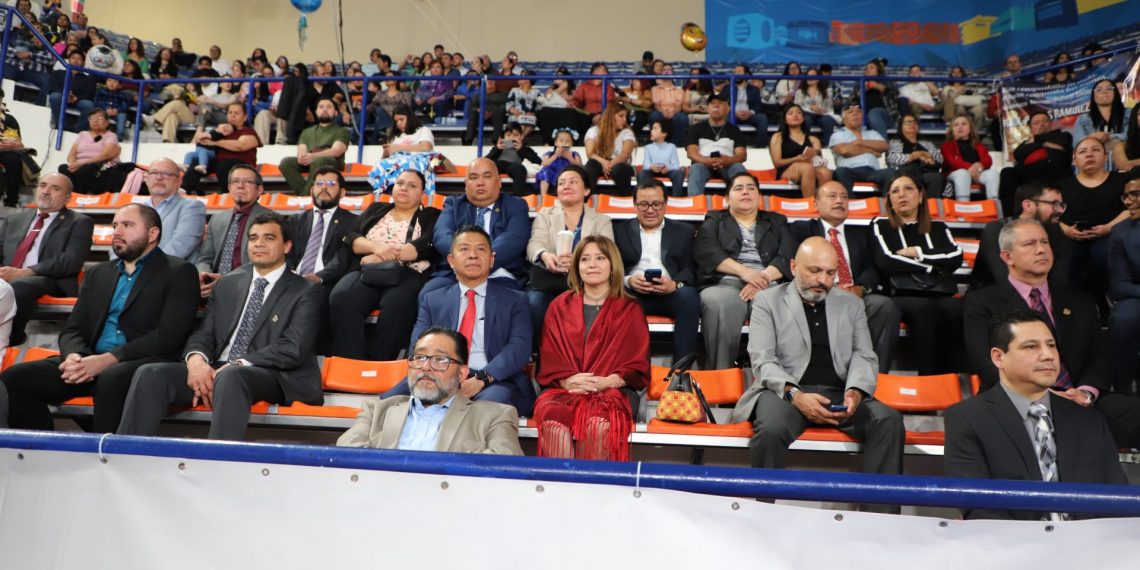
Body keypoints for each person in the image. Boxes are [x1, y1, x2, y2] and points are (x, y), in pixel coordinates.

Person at [118, 212, 324, 440]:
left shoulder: (305, 290)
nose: (259, 244)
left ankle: (217, 457)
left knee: (231, 376)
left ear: (286, 246)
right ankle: (125, 452)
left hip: (273, 374)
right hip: (220, 369)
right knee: (150, 373)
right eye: (253, 238)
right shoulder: (228, 283)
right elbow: (205, 332)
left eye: (269, 238)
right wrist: (196, 361)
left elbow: (293, 348)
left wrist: (239, 363)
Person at [0, 203, 200, 432]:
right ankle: (44, 447)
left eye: (127, 225)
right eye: (115, 226)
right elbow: (73, 329)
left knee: (112, 378)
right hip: (89, 360)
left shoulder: (179, 272)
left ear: (152, 233)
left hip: (137, 361)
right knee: (15, 379)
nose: (117, 231)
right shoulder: (98, 273)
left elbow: (169, 336)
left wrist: (107, 360)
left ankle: (105, 450)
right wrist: (74, 356)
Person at [730, 237, 904, 481]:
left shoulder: (852, 304)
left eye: (830, 273)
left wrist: (855, 392)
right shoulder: (767, 301)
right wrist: (796, 395)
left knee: (889, 420)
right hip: (784, 393)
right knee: (771, 429)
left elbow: (864, 355)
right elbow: (763, 360)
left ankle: (879, 505)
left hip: (840, 393)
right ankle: (763, 503)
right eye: (814, 271)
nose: (823, 280)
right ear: (794, 267)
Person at [945, 310, 1127, 521]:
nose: (1048, 355)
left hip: (1087, 539)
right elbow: (974, 505)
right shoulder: (968, 419)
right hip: (1010, 539)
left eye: (1051, 345)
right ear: (998, 357)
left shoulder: (1090, 421)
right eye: (1031, 347)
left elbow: (1118, 501)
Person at [381, 227, 535, 415]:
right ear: (451, 261)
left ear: (492, 260)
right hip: (438, 374)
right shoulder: (433, 300)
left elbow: (519, 348)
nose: (473, 255)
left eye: (481, 249)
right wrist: (442, 376)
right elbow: (418, 347)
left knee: (484, 411)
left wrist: (482, 379)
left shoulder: (515, 300)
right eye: (464, 249)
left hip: (493, 380)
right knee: (386, 406)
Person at [534, 235, 649, 461]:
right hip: (565, 389)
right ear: (577, 267)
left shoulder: (630, 309)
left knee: (598, 423)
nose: (592, 265)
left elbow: (637, 366)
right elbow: (549, 357)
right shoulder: (559, 306)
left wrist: (607, 381)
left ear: (613, 266)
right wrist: (567, 381)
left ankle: (593, 483)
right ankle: (561, 482)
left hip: (613, 390)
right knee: (553, 420)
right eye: (585, 259)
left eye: (600, 258)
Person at [338, 326, 523, 453]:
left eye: (440, 360)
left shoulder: (494, 416)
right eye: (419, 357)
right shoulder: (376, 410)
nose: (426, 367)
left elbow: (505, 464)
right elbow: (345, 454)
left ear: (461, 374)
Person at [789, 181, 901, 373]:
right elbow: (797, 266)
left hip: (854, 296)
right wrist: (829, 287)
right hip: (817, 294)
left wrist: (860, 288)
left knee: (885, 305)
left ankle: (876, 376)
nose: (839, 201)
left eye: (844, 197)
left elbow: (871, 269)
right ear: (816, 203)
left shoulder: (861, 235)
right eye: (832, 196)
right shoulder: (801, 230)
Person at [329, 170, 440, 360]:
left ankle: (381, 364)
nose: (404, 188)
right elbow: (350, 236)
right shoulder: (376, 209)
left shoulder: (431, 215)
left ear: (423, 194)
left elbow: (426, 244)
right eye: (400, 183)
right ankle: (350, 362)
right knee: (341, 297)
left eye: (412, 185)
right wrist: (377, 248)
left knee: (397, 305)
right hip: (367, 270)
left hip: (407, 272)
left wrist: (383, 256)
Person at [696, 172, 796, 369]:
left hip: (770, 283)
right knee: (720, 303)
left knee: (780, 302)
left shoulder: (777, 221)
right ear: (727, 198)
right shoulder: (715, 219)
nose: (745, 192)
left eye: (751, 188)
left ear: (759, 196)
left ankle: (777, 377)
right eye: (738, 188)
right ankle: (720, 375)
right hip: (725, 282)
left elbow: (789, 254)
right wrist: (745, 273)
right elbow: (707, 250)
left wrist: (763, 277)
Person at [871, 174, 963, 374]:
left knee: (957, 308)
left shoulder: (939, 227)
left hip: (939, 291)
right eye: (895, 191)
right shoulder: (880, 225)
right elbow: (886, 260)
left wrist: (917, 253)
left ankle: (951, 378)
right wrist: (932, 266)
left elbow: (956, 257)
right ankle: (928, 379)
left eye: (908, 189)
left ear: (921, 196)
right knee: (925, 309)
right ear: (889, 200)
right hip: (902, 294)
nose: (901, 195)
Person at [0, 173, 94, 347]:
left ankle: (9, 341)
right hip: (8, 276)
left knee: (20, 285)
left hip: (51, 280)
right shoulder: (14, 219)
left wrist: (26, 272)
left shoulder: (80, 222)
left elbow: (70, 261)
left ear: (67, 198)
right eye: (43, 185)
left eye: (55, 188)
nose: (46, 191)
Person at [614, 179, 699, 362]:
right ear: (634, 204)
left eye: (657, 204)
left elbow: (690, 269)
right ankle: (629, 370)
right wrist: (628, 280)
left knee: (690, 298)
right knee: (616, 299)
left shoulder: (684, 231)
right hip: (633, 293)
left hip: (670, 293)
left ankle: (680, 370)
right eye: (643, 204)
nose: (650, 210)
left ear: (665, 203)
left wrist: (675, 284)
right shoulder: (618, 230)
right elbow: (612, 267)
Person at [421, 158, 531, 300]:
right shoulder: (453, 205)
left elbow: (513, 239)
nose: (480, 182)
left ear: (499, 182)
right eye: (474, 177)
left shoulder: (515, 205)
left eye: (487, 176)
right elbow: (442, 236)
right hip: (454, 273)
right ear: (466, 184)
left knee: (500, 301)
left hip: (499, 272)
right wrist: (464, 262)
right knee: (428, 295)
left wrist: (479, 263)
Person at [526, 165, 614, 339]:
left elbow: (607, 252)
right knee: (534, 302)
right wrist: (546, 256)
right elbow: (535, 243)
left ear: (586, 190)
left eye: (573, 182)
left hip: (587, 282)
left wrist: (579, 261)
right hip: (549, 280)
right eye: (561, 183)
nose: (566, 186)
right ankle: (540, 351)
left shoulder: (601, 220)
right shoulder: (545, 215)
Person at [1058, 137, 1128, 299]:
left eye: (1095, 150)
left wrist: (1109, 227)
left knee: (1103, 253)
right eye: (1083, 152)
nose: (1089, 155)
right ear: (1074, 160)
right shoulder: (1063, 185)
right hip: (1072, 236)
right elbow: (1053, 214)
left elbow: (1130, 208)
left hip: (1112, 234)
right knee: (1068, 257)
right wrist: (1067, 230)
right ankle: (1074, 303)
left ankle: (1108, 300)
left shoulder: (1121, 181)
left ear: (1105, 157)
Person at [972, 182, 1071, 290]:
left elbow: (1059, 280)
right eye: (1054, 204)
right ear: (1028, 205)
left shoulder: (1057, 233)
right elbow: (1002, 276)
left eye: (1061, 205)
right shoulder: (997, 230)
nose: (1060, 211)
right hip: (994, 296)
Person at [195, 163, 272, 295]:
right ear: (230, 187)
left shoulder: (271, 220)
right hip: (214, 288)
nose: (240, 186)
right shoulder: (217, 219)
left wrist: (226, 281)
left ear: (259, 190)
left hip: (250, 289)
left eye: (247, 182)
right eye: (235, 181)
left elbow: (268, 264)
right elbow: (205, 258)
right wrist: (204, 275)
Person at [285, 166, 355, 288]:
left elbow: (344, 257)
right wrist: (290, 273)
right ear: (312, 191)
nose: (324, 187)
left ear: (342, 192)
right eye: (319, 183)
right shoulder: (295, 220)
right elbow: (285, 252)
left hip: (327, 283)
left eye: (331, 184)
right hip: (292, 281)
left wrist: (320, 277)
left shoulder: (352, 221)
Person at [998, 111, 1074, 215]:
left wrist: (1036, 139)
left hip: (1053, 170)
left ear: (1051, 124)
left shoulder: (1062, 135)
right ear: (1031, 128)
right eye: (1037, 123)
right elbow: (1018, 153)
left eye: (1045, 121)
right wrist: (1044, 144)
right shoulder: (1026, 143)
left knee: (1055, 161)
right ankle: (1010, 216)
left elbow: (1064, 141)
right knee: (1007, 172)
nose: (1042, 124)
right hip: (1029, 174)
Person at [181, 103, 261, 196]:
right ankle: (184, 190)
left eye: (236, 113)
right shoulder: (223, 130)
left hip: (241, 165)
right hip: (220, 163)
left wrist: (215, 142)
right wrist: (208, 136)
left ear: (245, 117)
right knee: (197, 161)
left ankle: (228, 195)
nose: (232, 115)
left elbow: (241, 145)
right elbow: (204, 141)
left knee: (224, 165)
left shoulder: (249, 132)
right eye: (230, 113)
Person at [136, 159, 207, 261]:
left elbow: (180, 246)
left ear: (179, 181)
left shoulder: (192, 207)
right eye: (154, 173)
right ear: (146, 179)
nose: (159, 177)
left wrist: (142, 267)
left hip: (170, 269)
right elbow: (121, 244)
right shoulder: (135, 209)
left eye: (167, 174)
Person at [278, 98, 350, 195]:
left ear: (336, 112)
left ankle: (306, 195)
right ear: (316, 112)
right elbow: (302, 148)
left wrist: (314, 156)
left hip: (331, 163)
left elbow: (336, 151)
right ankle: (306, 193)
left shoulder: (342, 131)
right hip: (310, 162)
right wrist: (302, 156)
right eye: (321, 107)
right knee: (286, 163)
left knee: (320, 160)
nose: (324, 109)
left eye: (329, 107)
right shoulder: (307, 131)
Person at [1109, 180, 1140, 395]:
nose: (1128, 202)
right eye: (1125, 196)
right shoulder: (1121, 232)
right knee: (1123, 317)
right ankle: (1123, 392)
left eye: (1135, 194)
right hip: (1136, 296)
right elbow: (1119, 285)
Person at [686, 94, 748, 197]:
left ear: (728, 109)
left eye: (720, 103)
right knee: (696, 168)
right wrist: (706, 160)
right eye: (712, 103)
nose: (716, 106)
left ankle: (742, 201)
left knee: (738, 167)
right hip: (703, 164)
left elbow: (742, 155)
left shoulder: (735, 130)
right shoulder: (696, 128)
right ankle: (694, 202)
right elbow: (691, 152)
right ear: (708, 108)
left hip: (728, 165)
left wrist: (727, 160)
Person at [368, 106, 437, 196]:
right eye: (396, 121)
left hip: (416, 163)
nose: (398, 123)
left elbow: (426, 147)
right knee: (379, 164)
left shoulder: (423, 130)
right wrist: (386, 152)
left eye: (401, 119)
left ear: (410, 118)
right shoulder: (395, 136)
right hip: (396, 166)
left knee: (408, 163)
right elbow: (385, 159)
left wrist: (398, 147)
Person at [829, 102, 896, 194]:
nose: (855, 114)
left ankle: (887, 202)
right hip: (850, 171)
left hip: (872, 172)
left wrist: (859, 142)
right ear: (843, 119)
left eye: (858, 112)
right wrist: (871, 151)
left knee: (891, 172)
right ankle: (850, 202)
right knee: (840, 172)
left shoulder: (872, 133)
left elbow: (884, 146)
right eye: (850, 112)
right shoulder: (838, 135)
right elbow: (844, 150)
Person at [769, 104, 831, 198]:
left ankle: (824, 202)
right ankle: (810, 202)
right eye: (790, 113)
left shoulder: (813, 139)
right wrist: (796, 159)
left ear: (803, 117)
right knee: (807, 168)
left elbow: (819, 160)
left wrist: (815, 152)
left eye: (798, 112)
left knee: (825, 172)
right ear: (785, 119)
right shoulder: (778, 137)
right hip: (786, 168)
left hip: (810, 166)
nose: (795, 115)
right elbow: (777, 162)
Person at [56, 108, 121, 194]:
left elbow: (105, 155)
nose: (95, 120)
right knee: (63, 168)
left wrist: (81, 164)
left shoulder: (111, 136)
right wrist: (73, 164)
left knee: (86, 169)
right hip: (80, 166)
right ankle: (71, 195)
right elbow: (71, 154)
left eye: (99, 118)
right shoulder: (82, 134)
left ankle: (79, 194)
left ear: (107, 122)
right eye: (92, 118)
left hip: (99, 166)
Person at [941, 114, 999, 201]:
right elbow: (950, 161)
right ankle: (963, 205)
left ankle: (993, 204)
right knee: (963, 173)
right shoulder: (947, 145)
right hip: (955, 174)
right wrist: (969, 167)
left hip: (977, 174)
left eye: (964, 124)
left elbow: (988, 159)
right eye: (956, 125)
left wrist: (980, 165)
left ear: (970, 129)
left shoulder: (978, 145)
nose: (960, 126)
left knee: (993, 173)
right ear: (952, 130)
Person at [583, 104, 636, 196]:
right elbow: (590, 154)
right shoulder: (593, 131)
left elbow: (625, 155)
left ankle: (626, 198)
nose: (625, 119)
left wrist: (608, 165)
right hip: (600, 161)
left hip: (620, 164)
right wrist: (604, 162)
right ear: (610, 116)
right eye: (621, 116)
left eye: (625, 116)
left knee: (619, 169)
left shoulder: (627, 133)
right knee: (591, 164)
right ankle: (588, 197)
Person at [887, 113, 944, 199]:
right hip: (904, 174)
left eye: (915, 122)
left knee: (937, 177)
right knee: (911, 170)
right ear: (901, 127)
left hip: (925, 173)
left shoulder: (927, 144)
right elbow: (892, 158)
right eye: (908, 122)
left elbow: (940, 159)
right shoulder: (895, 143)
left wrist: (927, 155)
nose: (912, 124)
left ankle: (929, 205)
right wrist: (912, 156)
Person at [483, 123, 541, 196]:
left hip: (514, 167)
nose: (511, 138)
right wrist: (497, 149)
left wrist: (521, 149)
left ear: (521, 137)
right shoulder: (498, 147)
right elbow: (486, 161)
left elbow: (538, 161)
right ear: (503, 137)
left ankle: (517, 198)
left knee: (520, 169)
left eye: (515, 135)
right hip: (499, 165)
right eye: (508, 135)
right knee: (489, 166)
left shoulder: (525, 148)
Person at [1073, 79, 1126, 157]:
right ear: (1093, 96)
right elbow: (1077, 143)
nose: (1104, 92)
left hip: (1125, 154)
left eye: (1109, 88)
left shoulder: (1129, 113)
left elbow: (1132, 135)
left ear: (1116, 93)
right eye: (1099, 90)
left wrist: (1109, 137)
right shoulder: (1082, 119)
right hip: (1094, 157)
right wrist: (1092, 137)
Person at [0, 91, 34, 207]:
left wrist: (14, 145)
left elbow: (20, 144)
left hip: (4, 151)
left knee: (14, 160)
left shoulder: (9, 119)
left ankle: (12, 199)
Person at [48, 50, 96, 131]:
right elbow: (53, 87)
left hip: (77, 101)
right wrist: (65, 96)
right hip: (61, 98)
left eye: (79, 59)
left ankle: (78, 130)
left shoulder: (88, 78)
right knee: (55, 96)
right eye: (73, 58)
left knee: (89, 105)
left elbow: (89, 94)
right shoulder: (58, 73)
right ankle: (62, 125)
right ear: (69, 60)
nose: (76, 60)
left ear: (83, 63)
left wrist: (76, 98)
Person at [638, 119, 686, 195]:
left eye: (655, 129)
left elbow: (676, 165)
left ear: (664, 133)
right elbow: (645, 165)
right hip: (652, 171)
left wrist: (668, 168)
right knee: (642, 173)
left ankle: (676, 197)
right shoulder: (648, 147)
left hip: (667, 171)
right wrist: (651, 167)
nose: (651, 131)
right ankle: (645, 195)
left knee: (678, 173)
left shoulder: (671, 147)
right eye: (652, 129)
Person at [794, 67, 838, 145]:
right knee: (806, 120)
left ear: (818, 79)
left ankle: (827, 145)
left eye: (812, 75)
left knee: (828, 120)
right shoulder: (799, 92)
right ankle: (804, 145)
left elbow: (830, 108)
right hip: (806, 115)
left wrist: (822, 110)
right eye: (808, 75)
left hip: (822, 115)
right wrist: (811, 108)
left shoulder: (826, 92)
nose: (809, 78)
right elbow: (797, 107)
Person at [649, 64, 688, 146]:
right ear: (661, 73)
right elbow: (656, 104)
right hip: (660, 112)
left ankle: (676, 145)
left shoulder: (680, 90)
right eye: (664, 70)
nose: (666, 72)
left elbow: (678, 106)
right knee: (654, 116)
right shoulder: (654, 89)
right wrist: (663, 112)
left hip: (674, 112)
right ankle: (657, 143)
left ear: (673, 73)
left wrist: (672, 112)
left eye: (669, 70)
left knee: (682, 118)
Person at [534, 128, 581, 196]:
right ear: (555, 142)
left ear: (572, 143)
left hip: (568, 173)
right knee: (545, 171)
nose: (564, 143)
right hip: (553, 174)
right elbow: (544, 164)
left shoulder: (574, 154)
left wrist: (570, 157)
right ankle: (544, 196)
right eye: (561, 141)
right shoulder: (550, 154)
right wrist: (555, 156)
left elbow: (579, 166)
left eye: (567, 141)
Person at [858, 59, 895, 141]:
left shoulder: (886, 81)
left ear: (878, 70)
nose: (868, 70)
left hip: (885, 115)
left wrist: (877, 86)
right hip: (864, 115)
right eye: (866, 68)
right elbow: (851, 100)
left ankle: (883, 144)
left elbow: (894, 93)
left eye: (871, 67)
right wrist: (861, 91)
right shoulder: (860, 83)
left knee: (873, 114)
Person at [1112, 102, 1140, 180]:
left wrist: (1135, 163)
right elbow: (1123, 165)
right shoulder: (1122, 146)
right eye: (1139, 114)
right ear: (1134, 118)